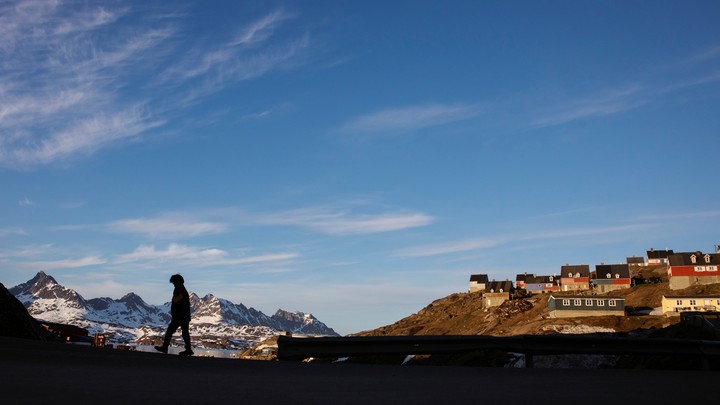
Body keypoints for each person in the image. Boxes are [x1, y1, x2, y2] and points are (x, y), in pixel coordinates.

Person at [155, 274, 193, 356]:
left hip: (179, 316)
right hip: (185, 315)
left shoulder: (178, 289)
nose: (173, 284)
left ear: (177, 282)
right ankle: (189, 349)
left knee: (170, 331)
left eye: (174, 283)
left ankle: (165, 347)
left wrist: (175, 313)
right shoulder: (183, 289)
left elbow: (176, 301)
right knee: (185, 333)